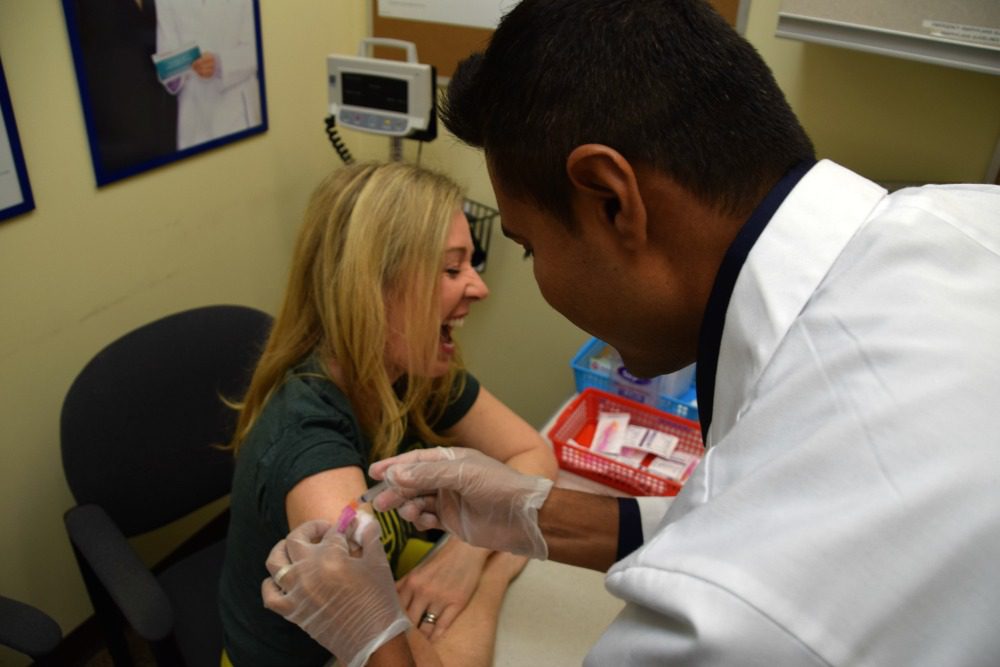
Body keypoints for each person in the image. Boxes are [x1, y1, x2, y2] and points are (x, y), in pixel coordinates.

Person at [260, 0, 1000, 665]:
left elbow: (738, 547)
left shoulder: (738, 619)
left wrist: (372, 638)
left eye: (525, 246)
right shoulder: (968, 221)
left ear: (613, 201)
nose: (488, 285)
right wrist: (527, 517)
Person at [219, 161, 558, 667]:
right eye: (452, 269)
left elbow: (532, 454)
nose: (478, 288)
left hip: (386, 594)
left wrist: (467, 555)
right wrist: (493, 571)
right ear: (372, 286)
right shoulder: (309, 443)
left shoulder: (410, 372)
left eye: (472, 264)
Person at [155, 0, 262, 150]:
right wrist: (173, 76)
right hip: (193, 117)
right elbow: (165, 57)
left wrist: (220, 64)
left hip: (237, 111)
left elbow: (257, 49)